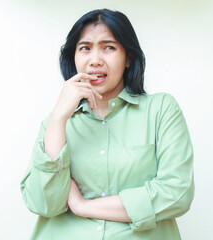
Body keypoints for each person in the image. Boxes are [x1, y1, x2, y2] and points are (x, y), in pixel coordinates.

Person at [20, 9, 194, 240]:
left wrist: (82, 206)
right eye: (85, 48)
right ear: (74, 57)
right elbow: (43, 204)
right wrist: (59, 118)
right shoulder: (54, 124)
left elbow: (176, 194)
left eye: (108, 47)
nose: (95, 60)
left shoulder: (160, 110)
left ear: (128, 57)